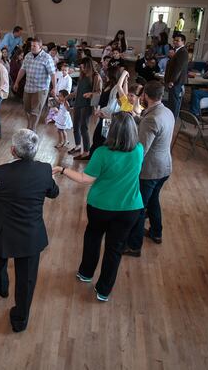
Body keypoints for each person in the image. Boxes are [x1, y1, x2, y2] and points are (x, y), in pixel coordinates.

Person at [54, 112, 143, 302]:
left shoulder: (102, 153)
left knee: (93, 238)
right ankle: (104, 291)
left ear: (112, 131)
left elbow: (85, 179)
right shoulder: (139, 150)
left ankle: (86, 273)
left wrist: (63, 170)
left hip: (101, 207)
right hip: (130, 209)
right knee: (115, 249)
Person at [0, 129, 58, 332]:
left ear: (13, 151)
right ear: (35, 150)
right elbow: (54, 193)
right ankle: (20, 320)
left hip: (2, 232)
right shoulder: (44, 170)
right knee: (27, 279)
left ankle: (1, 286)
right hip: (30, 235)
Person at [123, 81, 174, 257]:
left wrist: (126, 168)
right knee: (153, 201)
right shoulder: (166, 111)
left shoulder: (151, 119)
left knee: (138, 208)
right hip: (165, 167)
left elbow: (141, 150)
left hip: (150, 170)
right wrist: (137, 118)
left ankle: (134, 246)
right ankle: (156, 232)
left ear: (145, 95)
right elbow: (154, 128)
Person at [13, 38, 57, 132]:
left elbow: (53, 73)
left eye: (34, 46)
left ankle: (32, 130)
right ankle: (30, 126)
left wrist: (54, 88)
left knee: (35, 111)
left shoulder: (46, 57)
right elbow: (22, 70)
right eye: (31, 45)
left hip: (41, 89)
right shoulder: (28, 56)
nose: (32, 47)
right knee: (27, 109)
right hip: (28, 87)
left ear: (40, 47)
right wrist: (16, 82)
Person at [68, 57, 102, 160]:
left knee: (84, 127)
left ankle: (86, 151)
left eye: (83, 66)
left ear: (88, 65)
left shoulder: (96, 76)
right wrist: (68, 96)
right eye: (81, 66)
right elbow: (78, 91)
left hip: (86, 105)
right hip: (78, 104)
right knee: (76, 126)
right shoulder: (82, 75)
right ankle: (78, 146)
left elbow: (99, 92)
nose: (81, 68)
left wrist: (90, 94)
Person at [164, 33, 188, 117]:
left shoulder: (183, 52)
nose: (175, 42)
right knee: (171, 100)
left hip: (176, 81)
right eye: (174, 40)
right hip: (174, 81)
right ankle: (171, 117)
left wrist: (172, 81)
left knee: (174, 101)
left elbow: (179, 69)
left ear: (183, 42)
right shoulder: (177, 51)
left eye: (178, 40)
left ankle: (173, 118)